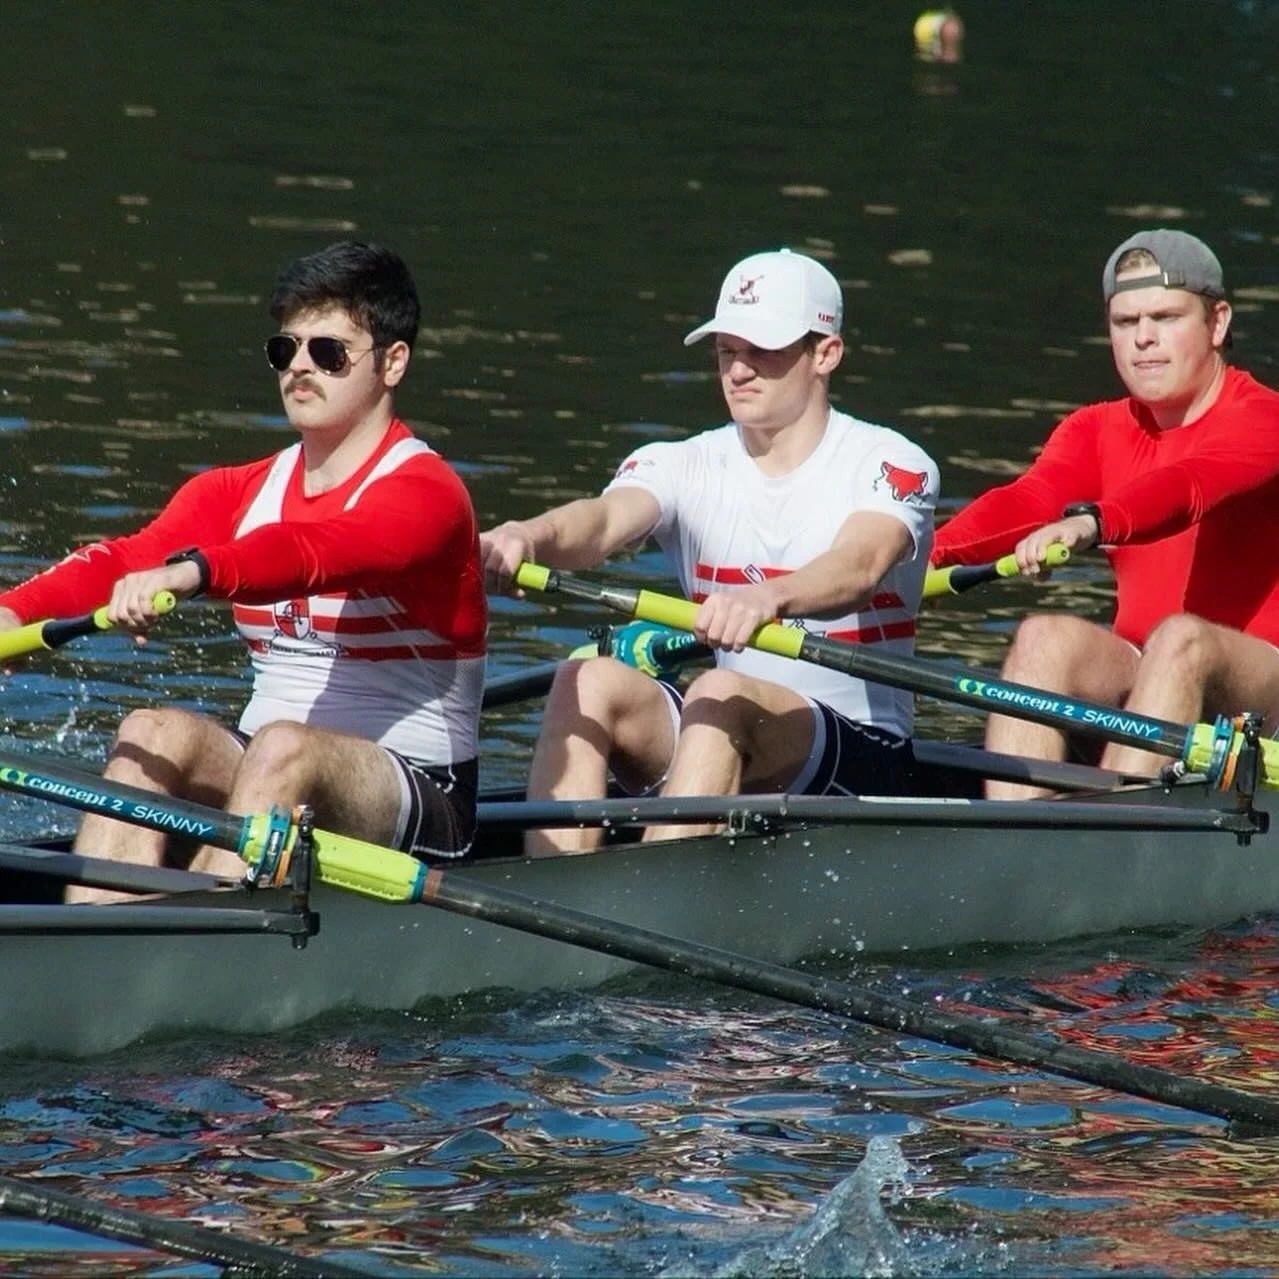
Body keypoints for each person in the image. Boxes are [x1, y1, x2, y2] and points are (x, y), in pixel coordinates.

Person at [0, 240, 487, 898]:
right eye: (285, 350)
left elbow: (316, 552)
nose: (299, 368)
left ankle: (180, 955)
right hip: (265, 769)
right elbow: (124, 558)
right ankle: (96, 930)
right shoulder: (234, 492)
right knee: (153, 729)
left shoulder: (427, 494)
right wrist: (15, 611)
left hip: (421, 790)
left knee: (286, 745)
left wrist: (194, 572)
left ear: (392, 362)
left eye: (329, 351)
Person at [482, 248, 939, 853]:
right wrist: (528, 536)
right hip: (732, 730)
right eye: (727, 351)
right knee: (585, 678)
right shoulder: (685, 462)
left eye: (763, 351)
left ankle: (655, 901)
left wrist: (769, 596)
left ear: (825, 353)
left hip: (863, 755)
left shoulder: (889, 463)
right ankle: (555, 888)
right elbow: (600, 522)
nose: (738, 371)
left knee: (718, 693)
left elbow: (858, 566)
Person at [930, 229, 1279, 796]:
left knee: (1181, 638)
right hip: (1146, 676)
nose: (1144, 339)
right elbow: (1024, 503)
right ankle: (1018, 838)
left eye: (1165, 317)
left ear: (1217, 323)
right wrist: (915, 560)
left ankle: (1112, 839)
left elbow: (1188, 486)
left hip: (1264, 685)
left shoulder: (1264, 418)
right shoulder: (1096, 429)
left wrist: (1093, 521)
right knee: (1044, 635)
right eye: (1125, 323)